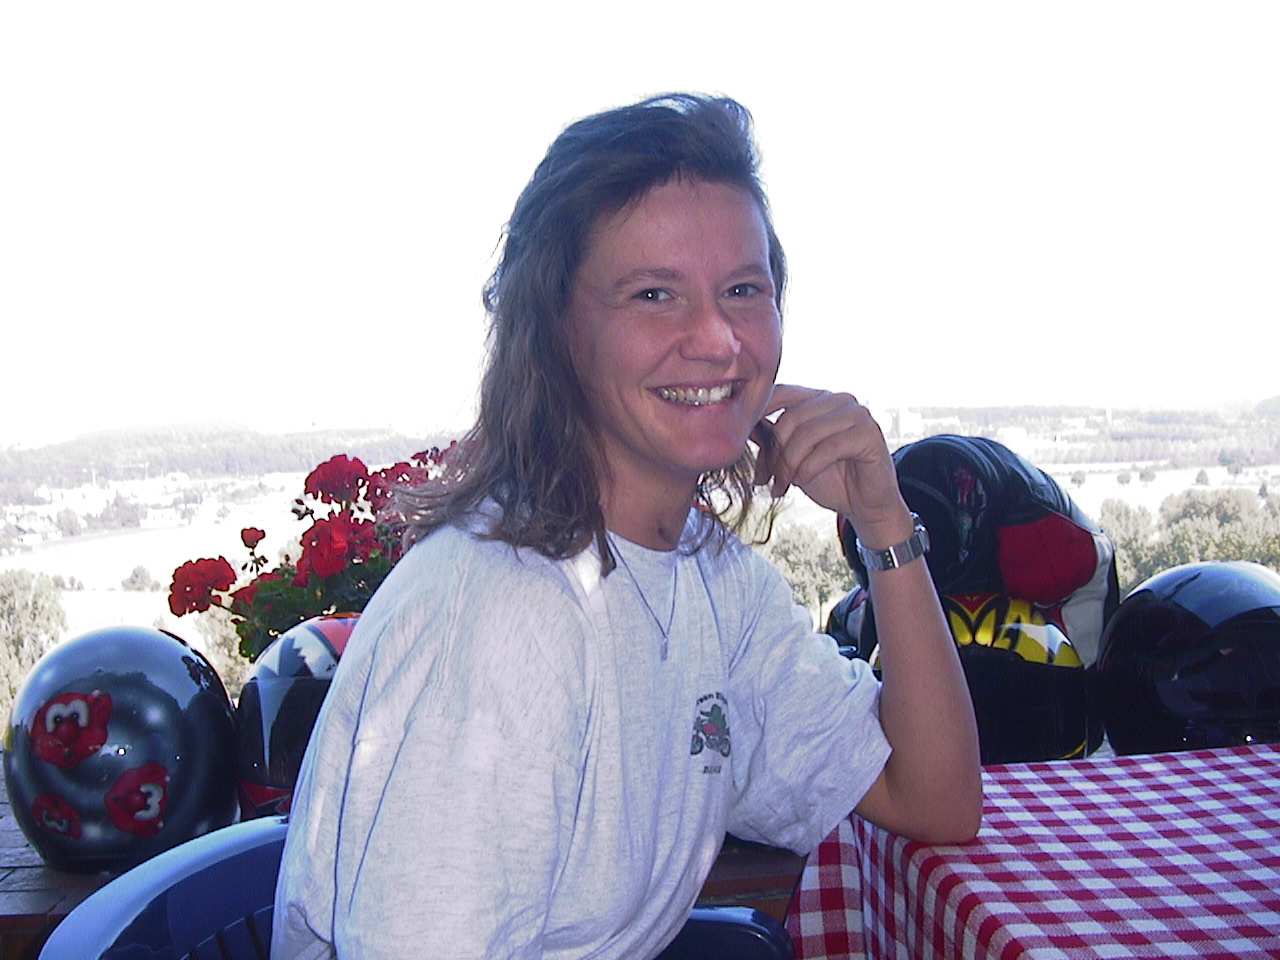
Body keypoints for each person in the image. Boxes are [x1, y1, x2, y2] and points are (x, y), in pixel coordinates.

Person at [272, 93, 981, 960]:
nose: (717, 339)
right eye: (654, 294)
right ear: (553, 332)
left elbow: (934, 798)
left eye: (743, 290)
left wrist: (885, 526)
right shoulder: (506, 618)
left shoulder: (711, 579)